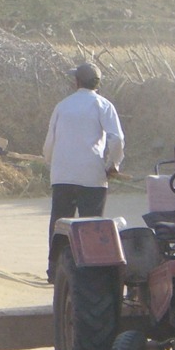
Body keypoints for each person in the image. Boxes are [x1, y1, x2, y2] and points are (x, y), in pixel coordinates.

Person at [42, 61, 125, 242]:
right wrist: (113, 165)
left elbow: (50, 142)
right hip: (91, 176)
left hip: (62, 175)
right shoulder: (103, 105)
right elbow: (117, 139)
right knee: (92, 227)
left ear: (77, 81)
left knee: (60, 226)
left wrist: (49, 161)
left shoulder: (62, 106)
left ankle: (55, 267)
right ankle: (90, 267)